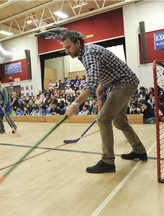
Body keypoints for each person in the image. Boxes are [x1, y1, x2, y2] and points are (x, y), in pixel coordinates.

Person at [61, 30, 147, 174]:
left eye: (68, 47)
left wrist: (75, 104)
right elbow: (101, 72)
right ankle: (139, 151)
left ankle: (107, 161)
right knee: (119, 122)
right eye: (64, 48)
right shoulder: (86, 52)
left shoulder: (88, 53)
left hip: (123, 84)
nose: (67, 51)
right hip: (122, 83)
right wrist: (102, 85)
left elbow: (91, 82)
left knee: (103, 119)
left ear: (78, 43)